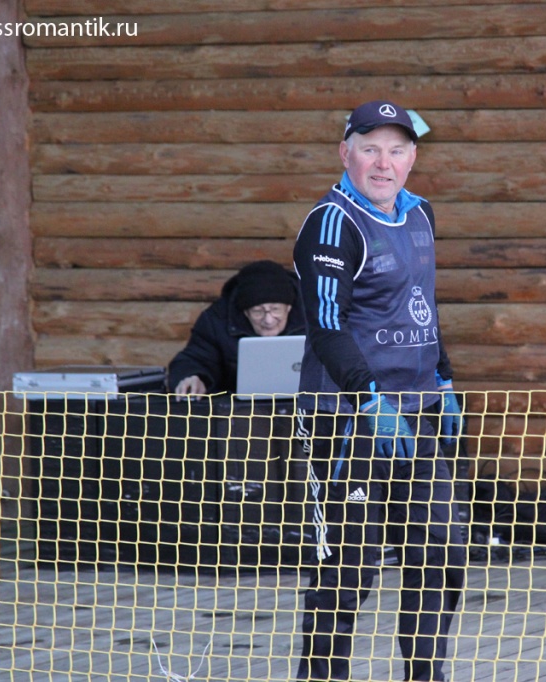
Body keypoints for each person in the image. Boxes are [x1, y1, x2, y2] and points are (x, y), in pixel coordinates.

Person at [292, 100, 467, 682]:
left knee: (440, 553)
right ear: (346, 153)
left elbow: (422, 305)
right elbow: (326, 324)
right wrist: (368, 397)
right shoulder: (332, 222)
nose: (383, 163)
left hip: (418, 410)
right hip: (348, 418)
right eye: (370, 149)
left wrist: (444, 377)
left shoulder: (421, 215)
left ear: (412, 158)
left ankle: (426, 675)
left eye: (396, 150)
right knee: (348, 567)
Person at [167, 259, 306, 397]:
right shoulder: (217, 320)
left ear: (289, 308)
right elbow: (194, 358)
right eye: (258, 312)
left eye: (276, 310)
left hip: (307, 404)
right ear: (245, 312)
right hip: (235, 407)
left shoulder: (314, 314)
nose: (268, 320)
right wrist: (194, 376)